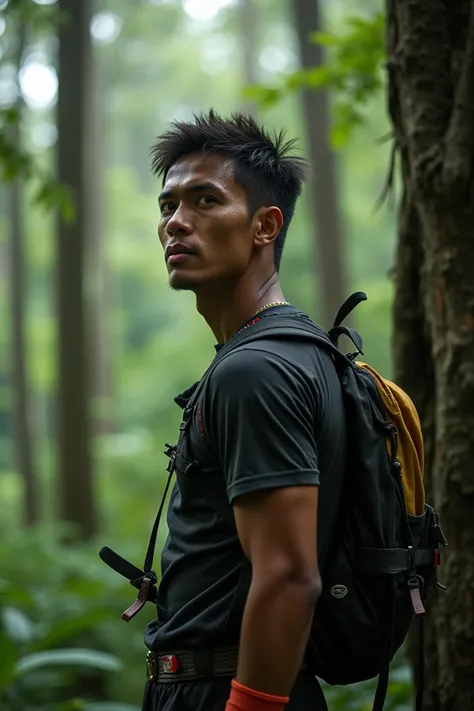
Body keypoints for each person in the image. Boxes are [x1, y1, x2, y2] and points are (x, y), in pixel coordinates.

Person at [141, 110, 347, 711]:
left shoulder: (256, 370)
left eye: (205, 200)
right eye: (168, 205)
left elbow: (288, 576)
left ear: (265, 225)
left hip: (235, 691)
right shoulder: (296, 351)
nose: (177, 223)